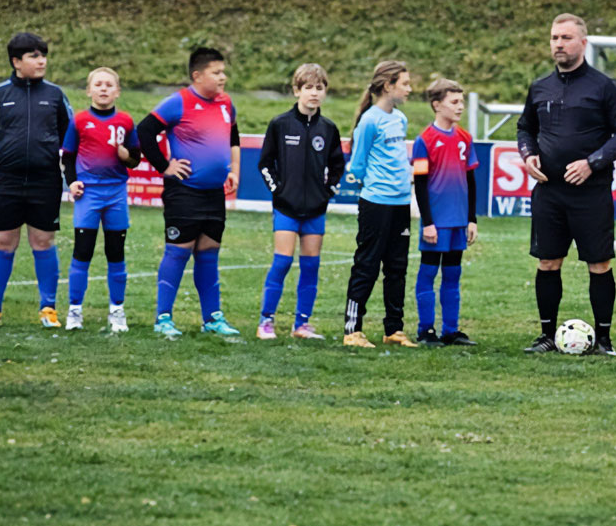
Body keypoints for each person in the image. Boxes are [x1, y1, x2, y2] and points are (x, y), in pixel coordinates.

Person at [516, 13, 616, 355]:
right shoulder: (540, 87)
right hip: (549, 192)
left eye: (566, 38)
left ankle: (604, 340)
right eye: (554, 38)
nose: (559, 44)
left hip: (591, 194)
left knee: (598, 264)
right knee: (547, 262)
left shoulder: (603, 86)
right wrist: (528, 155)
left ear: (583, 43)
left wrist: (592, 163)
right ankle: (546, 336)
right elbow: (525, 128)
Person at [137, 47, 241, 338]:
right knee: (178, 251)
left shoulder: (226, 103)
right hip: (184, 192)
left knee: (208, 253)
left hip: (214, 193)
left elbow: (232, 135)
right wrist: (165, 166)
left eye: (223, 71)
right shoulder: (178, 102)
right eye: (216, 72)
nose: (223, 77)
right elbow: (144, 131)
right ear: (197, 76)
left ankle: (212, 318)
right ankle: (163, 318)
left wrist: (233, 170)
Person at [0, 33, 72, 328]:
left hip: (45, 182)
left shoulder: (56, 95)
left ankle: (48, 309)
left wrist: (68, 174)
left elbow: (70, 138)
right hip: (6, 182)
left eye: (43, 55)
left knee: (43, 242)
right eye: (34, 56)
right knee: (3, 242)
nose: (42, 61)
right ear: (16, 62)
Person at [256, 63, 344, 340]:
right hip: (286, 208)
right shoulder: (280, 124)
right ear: (296, 91)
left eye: (319, 88)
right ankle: (266, 321)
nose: (314, 93)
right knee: (282, 262)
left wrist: (328, 191)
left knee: (311, 266)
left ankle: (301, 325)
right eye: (308, 88)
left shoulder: (329, 129)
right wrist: (278, 190)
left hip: (315, 210)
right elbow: (265, 163)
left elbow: (338, 166)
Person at [342, 60, 418, 349]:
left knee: (397, 267)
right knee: (367, 264)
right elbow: (357, 164)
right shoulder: (369, 121)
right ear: (388, 86)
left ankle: (393, 329)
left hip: (401, 204)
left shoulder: (400, 119)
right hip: (376, 204)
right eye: (405, 84)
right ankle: (352, 330)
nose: (409, 89)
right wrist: (376, 184)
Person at [61, 67, 141, 332]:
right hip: (89, 195)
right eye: (98, 84)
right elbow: (68, 157)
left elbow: (136, 158)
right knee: (82, 252)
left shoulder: (126, 121)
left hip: (116, 193)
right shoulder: (79, 121)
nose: (103, 88)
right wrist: (72, 182)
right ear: (89, 91)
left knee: (115, 252)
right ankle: (75, 310)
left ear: (117, 91)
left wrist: (126, 156)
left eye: (109, 84)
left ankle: (117, 310)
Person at [412, 79, 479, 347]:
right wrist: (427, 222)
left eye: (461, 101)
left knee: (453, 275)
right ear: (437, 105)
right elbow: (419, 184)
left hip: (458, 221)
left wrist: (471, 219)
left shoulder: (465, 138)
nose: (460, 106)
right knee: (428, 273)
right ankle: (425, 330)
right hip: (436, 222)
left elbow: (471, 181)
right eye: (454, 102)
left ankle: (451, 330)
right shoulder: (424, 140)